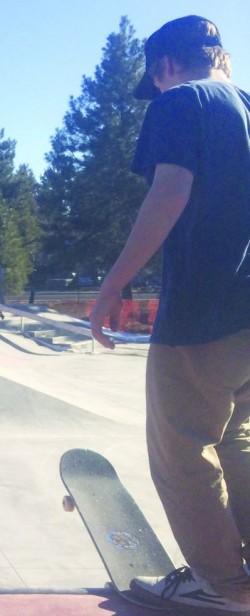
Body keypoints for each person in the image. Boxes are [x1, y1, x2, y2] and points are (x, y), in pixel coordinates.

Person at [90, 14, 250, 613]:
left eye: (153, 80)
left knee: (181, 450)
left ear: (164, 66)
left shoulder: (180, 101)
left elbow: (169, 193)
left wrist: (112, 286)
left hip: (204, 315)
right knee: (238, 441)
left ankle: (221, 583)